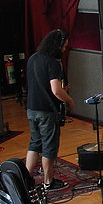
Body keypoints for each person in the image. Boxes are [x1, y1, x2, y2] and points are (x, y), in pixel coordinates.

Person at [25, 29, 75, 190]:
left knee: (35, 144)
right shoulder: (53, 63)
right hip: (46, 112)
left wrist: (61, 91)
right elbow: (55, 90)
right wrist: (68, 100)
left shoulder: (33, 58)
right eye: (64, 47)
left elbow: (40, 84)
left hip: (31, 108)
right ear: (57, 46)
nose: (64, 50)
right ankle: (48, 181)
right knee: (49, 146)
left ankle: (26, 179)